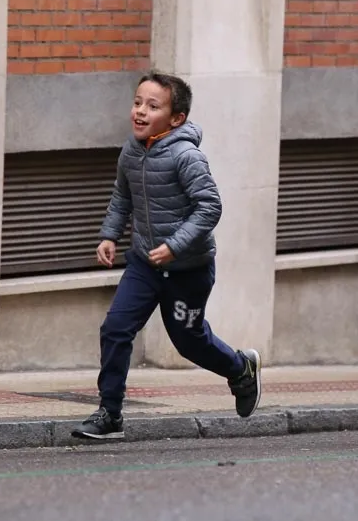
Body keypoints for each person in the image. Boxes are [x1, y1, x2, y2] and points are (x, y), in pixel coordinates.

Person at [71, 71, 261, 440]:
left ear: (176, 119)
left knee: (189, 343)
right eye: (137, 102)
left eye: (152, 106)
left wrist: (175, 245)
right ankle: (110, 414)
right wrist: (109, 235)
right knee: (115, 329)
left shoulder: (187, 156)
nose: (140, 111)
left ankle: (240, 369)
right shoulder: (131, 151)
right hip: (144, 264)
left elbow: (210, 207)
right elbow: (122, 197)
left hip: (189, 270)